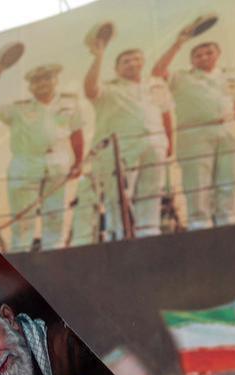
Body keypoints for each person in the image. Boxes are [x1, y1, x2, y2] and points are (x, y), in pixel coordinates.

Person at [0, 62, 84, 252]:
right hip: (25, 166)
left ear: (55, 80)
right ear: (30, 86)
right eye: (36, 80)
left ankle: (55, 255)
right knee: (23, 220)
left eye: (47, 78)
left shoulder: (69, 104)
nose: (42, 83)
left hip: (56, 165)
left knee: (55, 215)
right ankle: (21, 256)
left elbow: (77, 133)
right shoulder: (19, 108)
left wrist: (78, 162)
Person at [152, 32, 235, 229]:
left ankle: (230, 224)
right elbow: (157, 71)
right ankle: (200, 226)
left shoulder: (228, 75)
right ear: (191, 60)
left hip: (228, 129)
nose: (204, 57)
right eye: (198, 55)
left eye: (209, 53)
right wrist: (177, 43)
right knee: (198, 185)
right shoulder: (180, 77)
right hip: (195, 134)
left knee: (230, 181)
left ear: (217, 54)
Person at [83, 41, 174, 239]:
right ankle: (119, 234)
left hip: (154, 143)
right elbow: (90, 89)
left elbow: (165, 113)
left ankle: (149, 232)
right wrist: (98, 56)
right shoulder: (109, 88)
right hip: (123, 149)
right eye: (126, 62)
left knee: (152, 191)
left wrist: (169, 142)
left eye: (137, 60)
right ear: (116, 69)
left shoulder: (155, 85)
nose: (132, 64)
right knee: (120, 196)